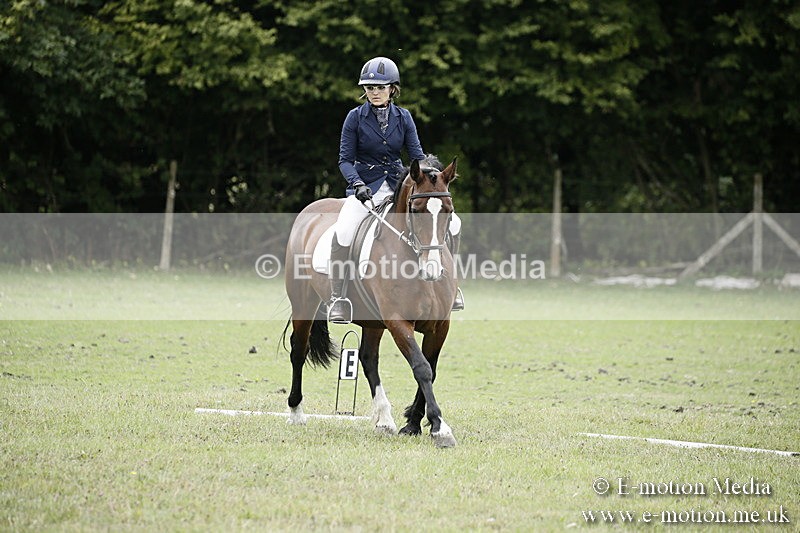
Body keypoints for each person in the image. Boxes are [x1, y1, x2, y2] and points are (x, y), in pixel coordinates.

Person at [327, 56, 463, 324]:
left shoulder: (404, 117)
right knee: (343, 231)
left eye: (380, 87)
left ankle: (453, 285)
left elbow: (416, 155)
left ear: (392, 89)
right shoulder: (354, 118)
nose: (374, 92)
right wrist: (357, 184)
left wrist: (431, 176)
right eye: (369, 88)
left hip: (400, 187)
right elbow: (344, 159)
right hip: (365, 189)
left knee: (454, 223)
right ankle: (339, 298)